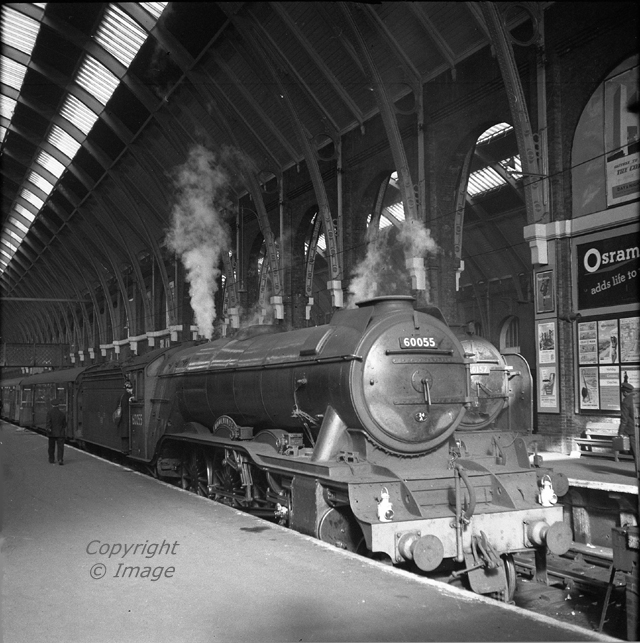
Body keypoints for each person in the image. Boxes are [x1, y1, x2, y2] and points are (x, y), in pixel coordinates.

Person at [619, 382, 638, 475]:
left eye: (623, 392)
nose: (623, 394)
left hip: (633, 431)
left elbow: (624, 419)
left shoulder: (626, 401)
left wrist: (621, 433)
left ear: (625, 392)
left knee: (636, 453)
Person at [115, 379, 135, 454]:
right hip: (127, 420)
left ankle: (125, 449)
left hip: (122, 420)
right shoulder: (129, 397)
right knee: (127, 435)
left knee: (124, 437)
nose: (131, 390)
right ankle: (127, 450)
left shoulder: (121, 396)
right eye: (130, 388)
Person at [46, 398, 67, 465]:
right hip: (60, 432)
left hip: (51, 432)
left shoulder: (49, 413)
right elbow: (64, 424)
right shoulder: (62, 413)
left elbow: (48, 422)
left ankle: (51, 459)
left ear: (52, 405)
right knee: (60, 447)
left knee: (51, 447)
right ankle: (60, 459)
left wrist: (48, 428)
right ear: (58, 405)